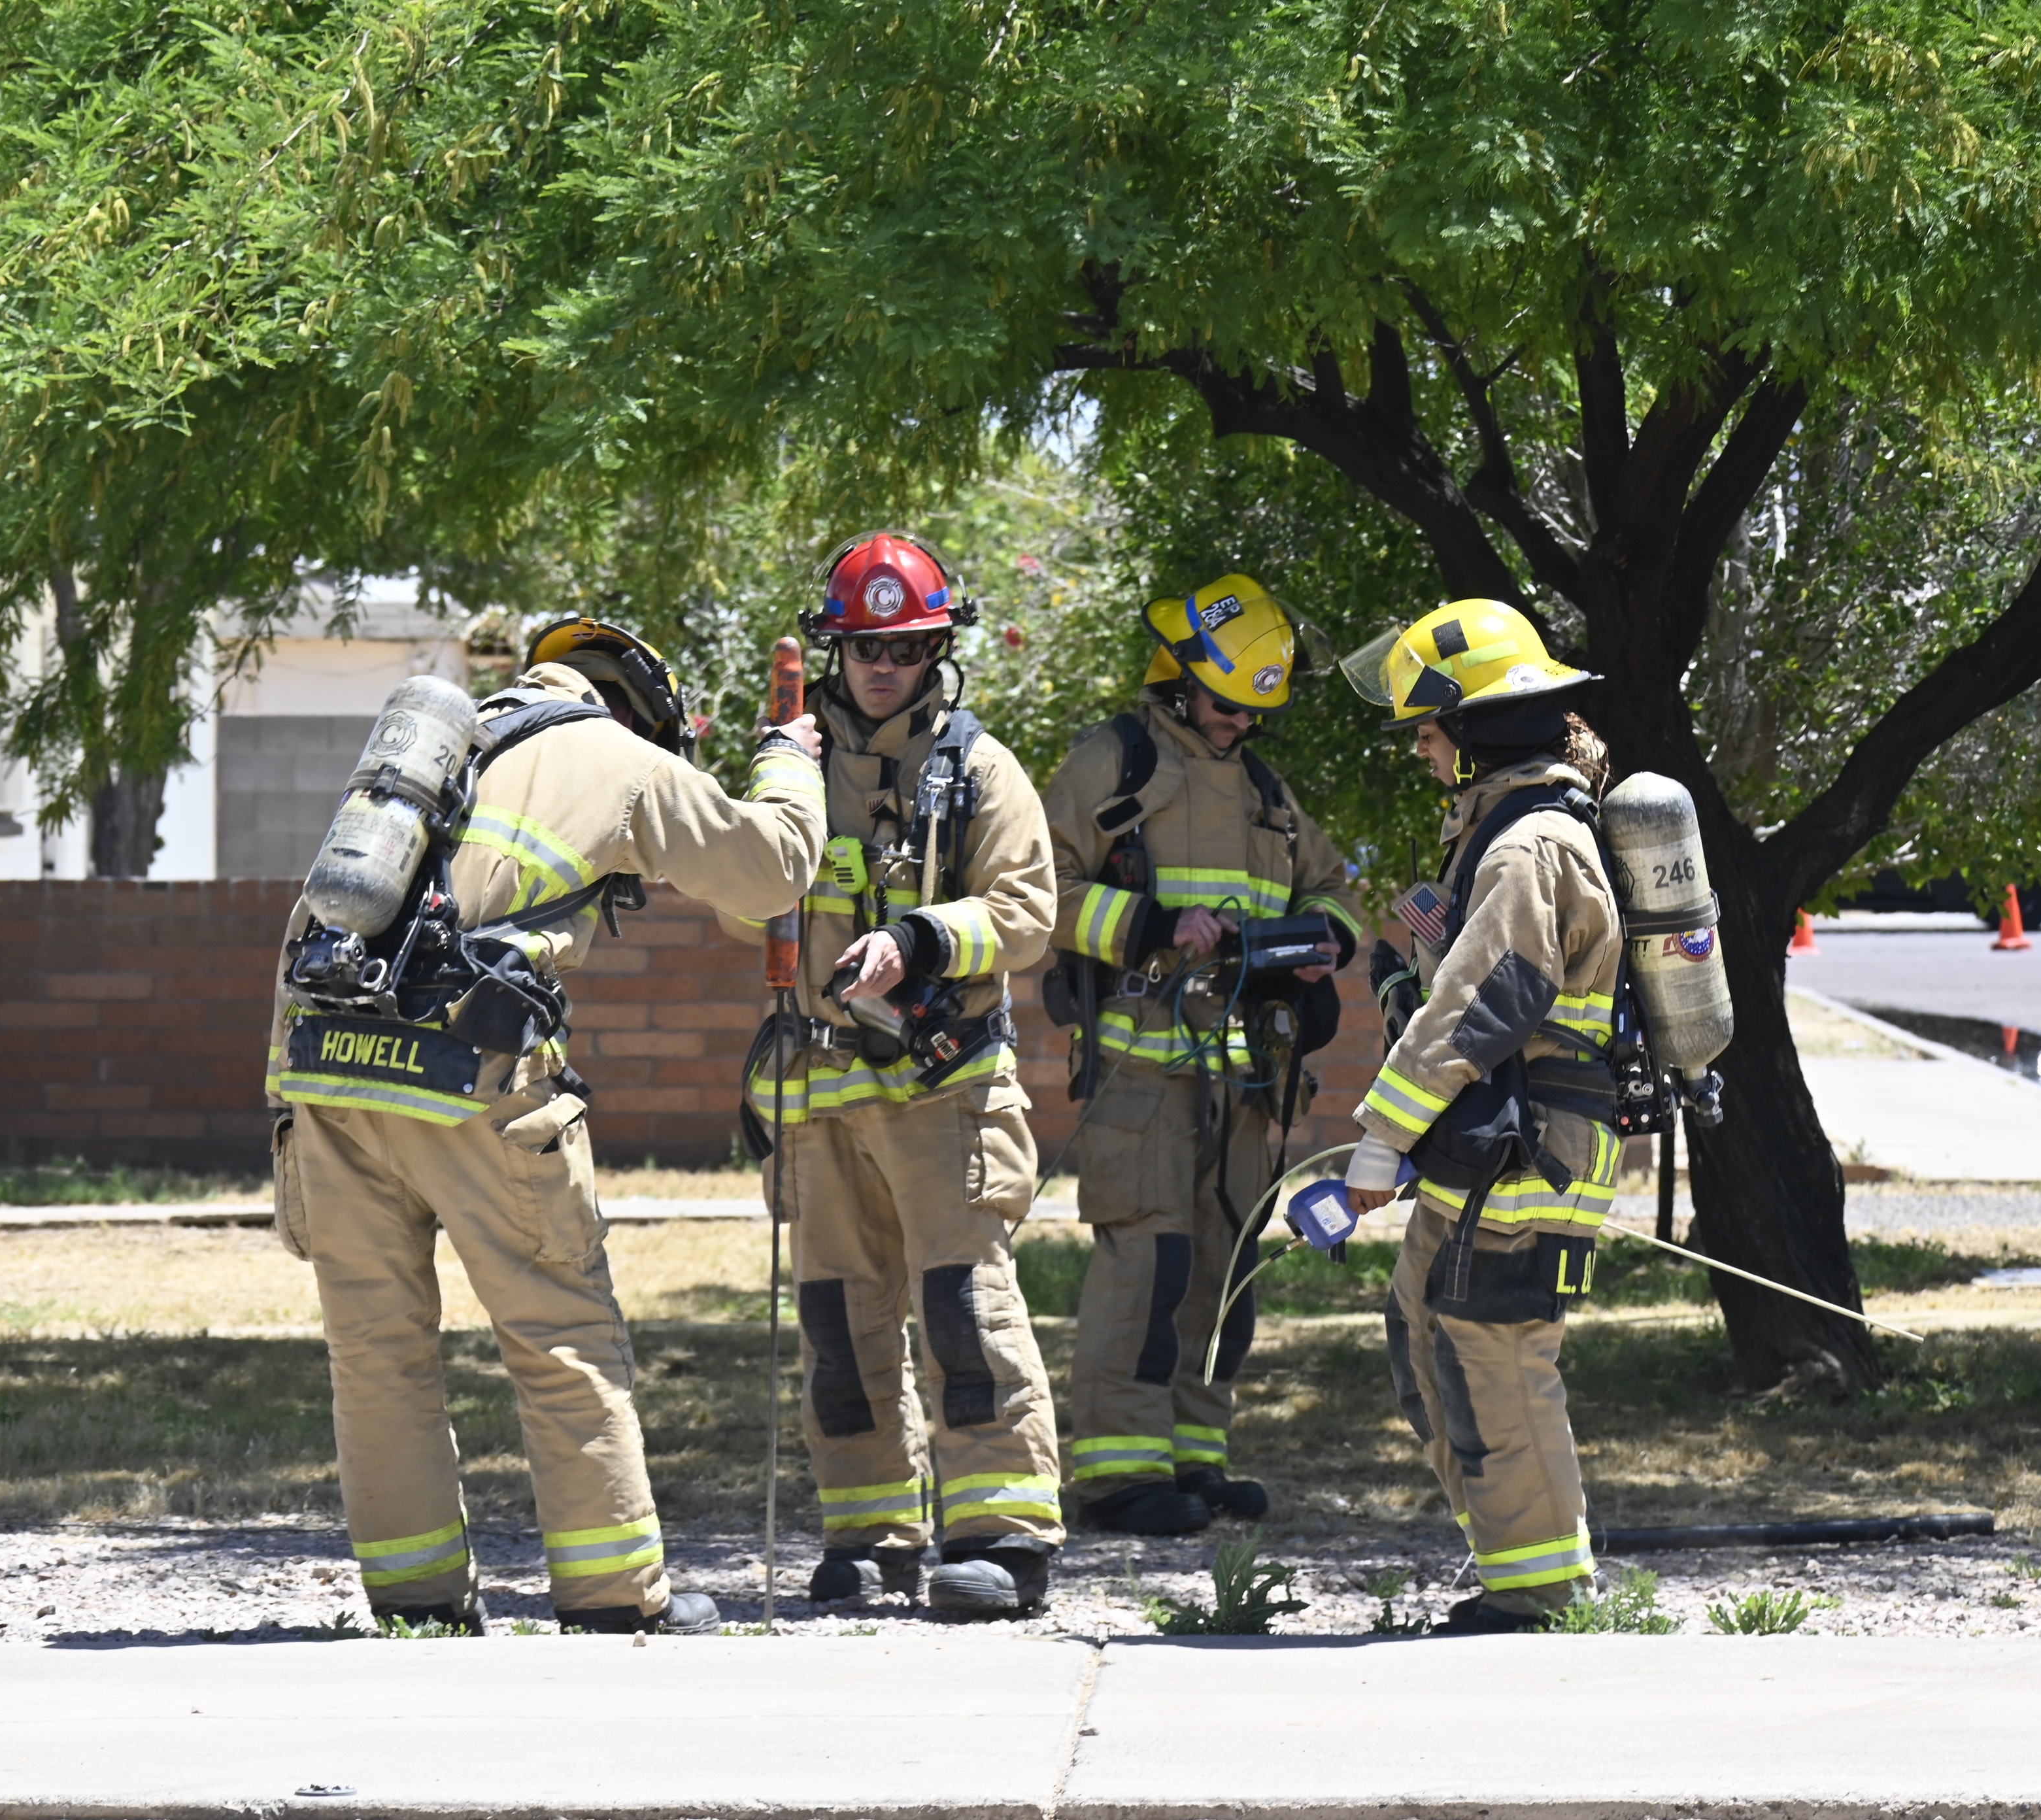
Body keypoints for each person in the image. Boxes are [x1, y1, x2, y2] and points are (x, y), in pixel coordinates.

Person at [268, 614, 826, 1636]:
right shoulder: (619, 757)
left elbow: (311, 925)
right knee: (561, 1335)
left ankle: (419, 1602)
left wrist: (285, 1122)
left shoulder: (431, 753)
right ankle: (615, 1597)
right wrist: (789, 761)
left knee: (376, 1352)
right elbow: (774, 869)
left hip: (329, 1075)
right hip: (473, 1077)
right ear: (644, 715)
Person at [730, 530, 1063, 1616]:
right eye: (867, 647)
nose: (884, 666)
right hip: (819, 1093)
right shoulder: (791, 763)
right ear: (836, 648)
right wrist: (771, 787)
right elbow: (740, 898)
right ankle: (871, 1533)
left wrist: (918, 940)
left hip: (941, 1089)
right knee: (839, 1324)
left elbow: (1026, 914)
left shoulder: (980, 768)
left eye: (908, 647)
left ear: (937, 651)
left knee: (962, 1307)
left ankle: (1003, 1535)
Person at [1039, 575, 1364, 1536]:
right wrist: (1152, 925)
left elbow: (1335, 888)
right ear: (1179, 682)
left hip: (1246, 1083)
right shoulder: (1115, 763)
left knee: (1223, 1274)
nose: (1240, 725)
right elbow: (1036, 887)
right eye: (1226, 706)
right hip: (1142, 1076)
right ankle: (1119, 1475)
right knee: (1148, 1267)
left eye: (1255, 713)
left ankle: (1194, 1457)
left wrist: (1322, 941)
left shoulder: (1266, 792)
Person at [1336, 597, 1623, 1632]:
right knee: (1428, 1334)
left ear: (1477, 728)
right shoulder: (1505, 834)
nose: (1421, 746)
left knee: (1492, 1351)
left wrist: (1382, 1138)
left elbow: (1483, 1002)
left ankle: (1544, 1591)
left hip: (1532, 1149)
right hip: (1502, 1144)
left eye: (1430, 727)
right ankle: (1517, 1563)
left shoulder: (1528, 846)